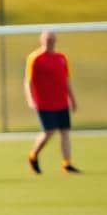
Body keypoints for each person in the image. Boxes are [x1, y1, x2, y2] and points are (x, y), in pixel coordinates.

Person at [25, 30, 81, 174]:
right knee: (49, 131)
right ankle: (33, 155)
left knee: (65, 132)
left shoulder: (61, 58)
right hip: (44, 102)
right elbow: (28, 81)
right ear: (42, 40)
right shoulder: (35, 58)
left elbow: (66, 80)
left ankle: (67, 164)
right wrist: (31, 99)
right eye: (47, 39)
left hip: (61, 101)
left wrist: (72, 99)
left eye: (52, 39)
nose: (50, 42)